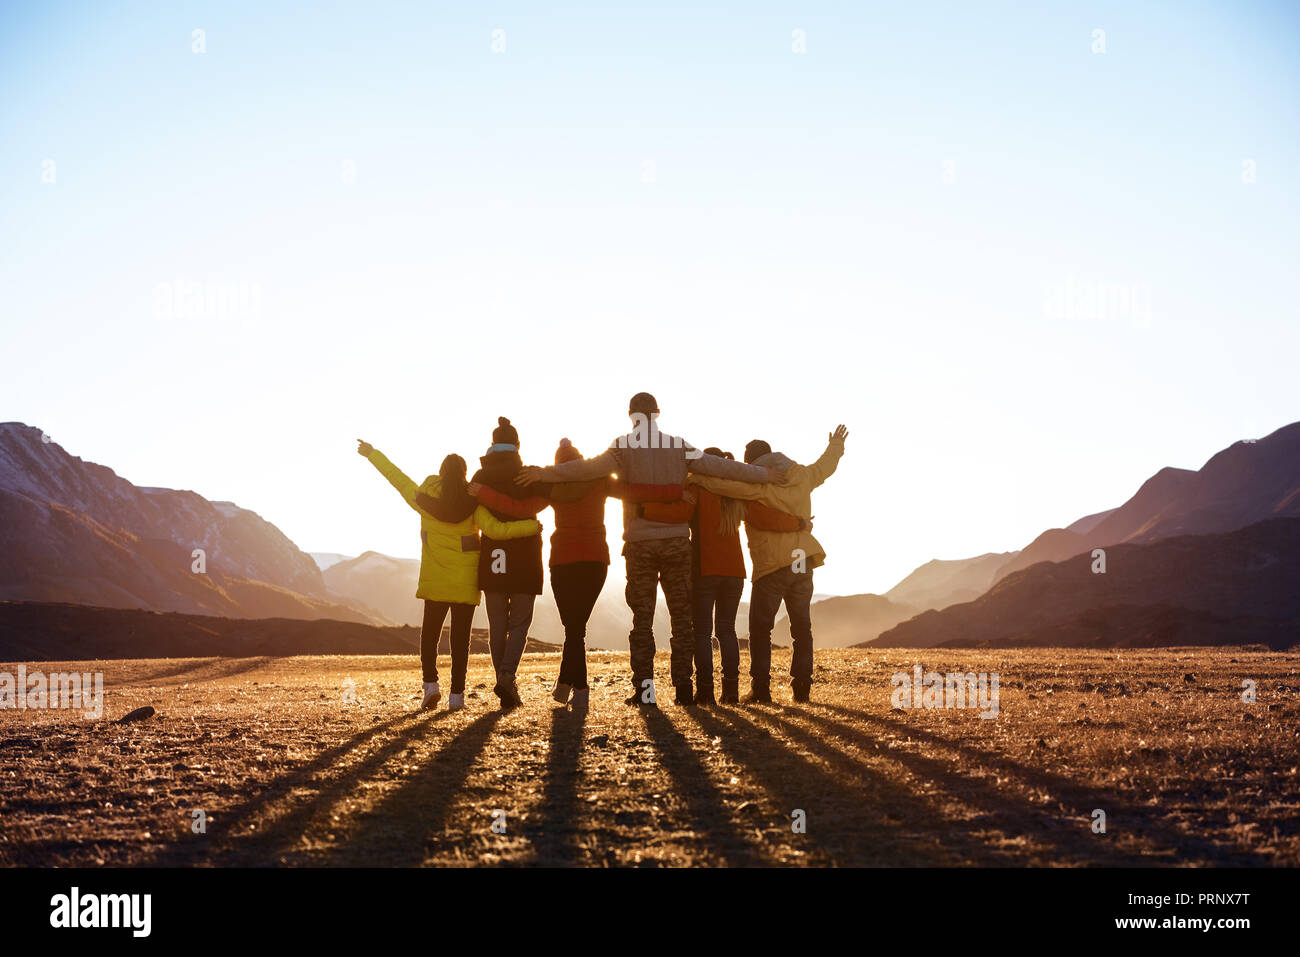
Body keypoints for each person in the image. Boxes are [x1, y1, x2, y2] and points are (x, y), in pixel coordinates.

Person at [519, 393, 781, 708]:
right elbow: (721, 468)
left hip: (640, 543)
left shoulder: (622, 447)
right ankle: (684, 692)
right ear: (657, 414)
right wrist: (766, 475)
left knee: (641, 621)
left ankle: (646, 694)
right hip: (675, 542)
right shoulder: (678, 445)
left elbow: (585, 470)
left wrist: (543, 473)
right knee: (681, 620)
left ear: (631, 415)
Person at [356, 439, 540, 711]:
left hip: (435, 581)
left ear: (441, 473)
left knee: (430, 635)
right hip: (465, 584)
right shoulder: (473, 505)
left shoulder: (423, 499)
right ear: (464, 474)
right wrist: (530, 526)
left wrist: (372, 453)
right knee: (460, 641)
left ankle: (430, 686)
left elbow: (396, 477)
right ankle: (457, 697)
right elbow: (498, 530)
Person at [688, 425, 848, 705]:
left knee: (761, 629)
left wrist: (696, 477)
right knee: (801, 626)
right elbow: (825, 467)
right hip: (801, 559)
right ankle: (802, 689)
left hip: (772, 565)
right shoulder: (802, 475)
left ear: (750, 462)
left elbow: (725, 485)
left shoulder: (755, 482)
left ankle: (761, 689)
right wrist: (836, 445)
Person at [641, 449, 808, 705]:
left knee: (703, 633)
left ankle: (706, 691)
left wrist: (644, 508)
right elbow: (765, 518)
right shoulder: (736, 493)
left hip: (705, 570)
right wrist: (797, 523)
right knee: (727, 631)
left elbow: (678, 514)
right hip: (735, 573)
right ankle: (730, 692)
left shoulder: (697, 488)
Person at [469, 417, 549, 710]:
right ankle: (507, 676)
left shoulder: (480, 476)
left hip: (493, 559)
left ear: (491, 446)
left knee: (497, 624)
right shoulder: (527, 475)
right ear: (517, 446)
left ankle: (502, 678)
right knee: (519, 624)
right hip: (526, 557)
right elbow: (544, 500)